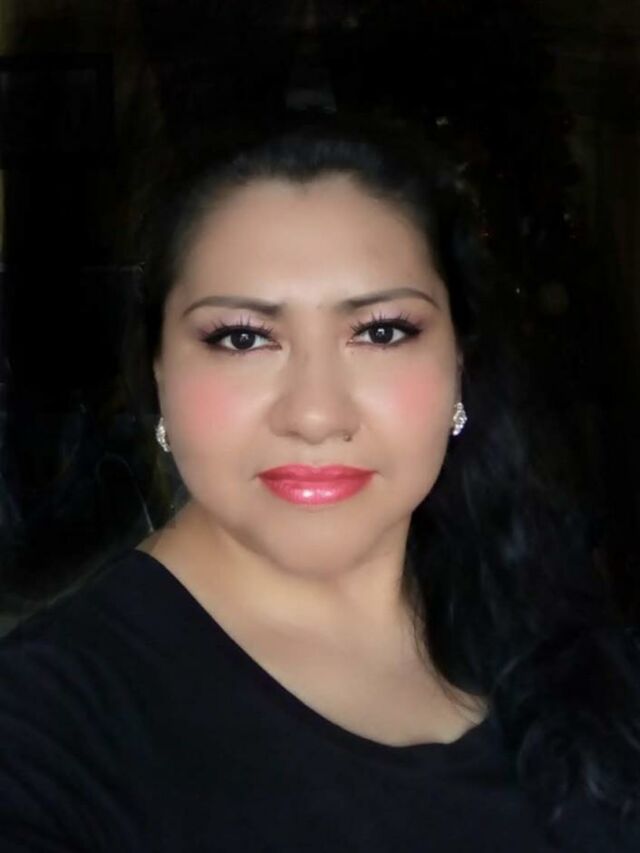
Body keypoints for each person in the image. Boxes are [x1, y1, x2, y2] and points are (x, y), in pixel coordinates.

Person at [1, 113, 639, 852]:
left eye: (380, 331)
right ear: (159, 374)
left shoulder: (559, 626)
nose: (314, 414)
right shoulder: (46, 727)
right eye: (243, 337)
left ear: (459, 362)